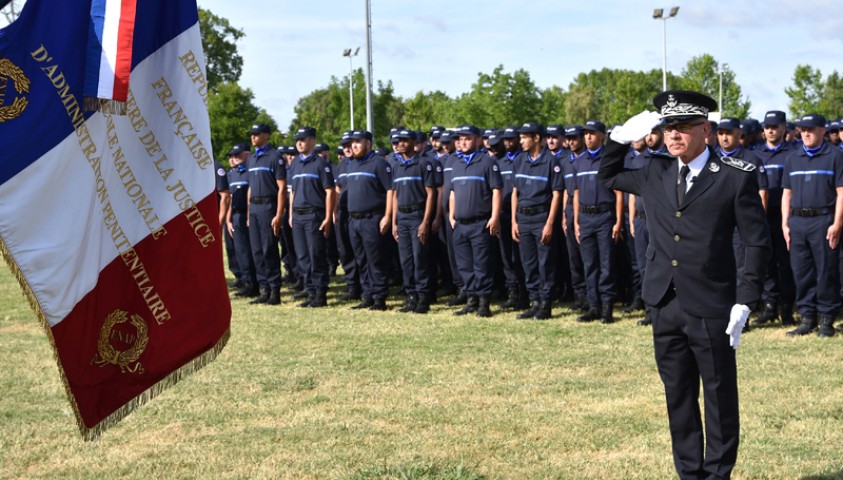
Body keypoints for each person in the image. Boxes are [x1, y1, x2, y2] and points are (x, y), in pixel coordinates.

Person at [600, 90, 770, 480]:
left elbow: (756, 241)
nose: (674, 135)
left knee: (718, 396)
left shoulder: (733, 178)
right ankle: (689, 472)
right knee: (677, 395)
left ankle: (718, 473)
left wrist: (745, 299)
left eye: (683, 128)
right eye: (668, 128)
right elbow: (607, 175)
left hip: (712, 304)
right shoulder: (655, 171)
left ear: (705, 130)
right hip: (664, 302)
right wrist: (618, 139)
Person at [782, 113, 843, 337]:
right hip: (797, 222)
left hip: (823, 220)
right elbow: (786, 194)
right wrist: (785, 224)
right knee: (801, 271)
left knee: (826, 270)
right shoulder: (792, 158)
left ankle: (827, 318)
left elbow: (841, 192)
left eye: (811, 129)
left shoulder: (835, 156)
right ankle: (807, 318)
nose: (806, 133)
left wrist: (837, 223)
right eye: (802, 129)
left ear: (822, 130)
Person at [448, 125, 503, 317]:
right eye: (460, 139)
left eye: (467, 138)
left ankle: (483, 304)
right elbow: (453, 192)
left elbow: (497, 190)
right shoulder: (456, 163)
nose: (462, 142)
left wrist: (494, 216)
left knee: (482, 264)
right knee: (464, 265)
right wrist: (451, 215)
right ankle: (471, 300)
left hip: (480, 223)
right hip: (460, 224)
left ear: (478, 140)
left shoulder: (487, 162)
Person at [511, 122, 564, 320]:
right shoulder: (519, 161)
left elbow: (557, 194)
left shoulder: (552, 162)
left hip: (541, 217)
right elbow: (515, 192)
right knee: (529, 262)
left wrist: (550, 223)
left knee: (545, 263)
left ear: (536, 138)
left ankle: (546, 304)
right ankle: (534, 301)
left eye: (524, 137)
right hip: (523, 218)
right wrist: (514, 221)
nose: (521, 141)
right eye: (520, 137)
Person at [573, 120, 623, 324]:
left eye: (592, 134)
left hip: (604, 217)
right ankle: (593, 306)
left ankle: (606, 307)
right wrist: (576, 221)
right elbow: (575, 193)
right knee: (589, 264)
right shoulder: (579, 161)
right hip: (585, 217)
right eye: (586, 134)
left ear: (603, 136)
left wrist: (618, 221)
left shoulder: (609, 160)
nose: (588, 137)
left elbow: (619, 193)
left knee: (606, 264)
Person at [752, 111, 796, 326]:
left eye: (775, 126)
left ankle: (787, 307)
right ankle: (770, 305)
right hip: (763, 215)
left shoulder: (793, 153)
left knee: (785, 263)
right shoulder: (756, 154)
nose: (770, 130)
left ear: (783, 128)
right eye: (767, 127)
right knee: (767, 262)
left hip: (786, 215)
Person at [390, 129, 441, 313]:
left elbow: (431, 194)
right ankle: (411, 297)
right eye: (398, 141)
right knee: (406, 260)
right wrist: (394, 221)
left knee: (421, 259)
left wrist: (425, 222)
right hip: (402, 218)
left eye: (404, 141)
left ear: (413, 142)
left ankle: (423, 299)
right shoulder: (396, 166)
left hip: (417, 216)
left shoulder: (424, 164)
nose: (400, 144)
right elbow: (395, 195)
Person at [345, 130, 394, 311]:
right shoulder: (351, 164)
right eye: (352, 142)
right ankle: (367, 295)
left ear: (368, 143)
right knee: (361, 259)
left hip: (372, 219)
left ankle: (380, 298)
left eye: (358, 142)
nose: (354, 146)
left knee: (376, 259)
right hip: (354, 220)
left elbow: (390, 190)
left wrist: (387, 216)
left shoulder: (379, 164)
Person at [288, 127, 335, 308]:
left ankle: (320, 294)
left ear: (312, 141)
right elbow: (292, 191)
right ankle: (309, 291)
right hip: (298, 216)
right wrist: (291, 212)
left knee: (316, 255)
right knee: (303, 256)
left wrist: (328, 217)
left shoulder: (320, 164)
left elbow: (330, 191)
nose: (299, 143)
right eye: (297, 139)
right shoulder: (295, 164)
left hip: (314, 215)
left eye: (303, 139)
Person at [246, 123, 286, 305]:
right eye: (252, 134)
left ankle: (274, 290)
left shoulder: (275, 157)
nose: (253, 137)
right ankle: (264, 289)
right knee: (256, 250)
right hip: (254, 207)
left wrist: (278, 214)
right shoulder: (252, 159)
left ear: (266, 136)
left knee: (269, 248)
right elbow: (250, 188)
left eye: (257, 134)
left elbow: (282, 187)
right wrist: (248, 212)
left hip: (268, 206)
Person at [561, 126, 589, 312]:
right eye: (569, 138)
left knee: (588, 256)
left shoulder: (588, 159)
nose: (571, 142)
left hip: (587, 209)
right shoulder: (564, 161)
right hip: (570, 207)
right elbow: (565, 188)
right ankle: (579, 296)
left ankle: (591, 296)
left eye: (574, 138)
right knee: (573, 257)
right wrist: (564, 214)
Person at [226, 143, 259, 297]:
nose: (235, 158)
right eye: (233, 156)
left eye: (238, 155)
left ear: (247, 154)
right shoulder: (232, 174)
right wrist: (228, 219)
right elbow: (230, 199)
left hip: (248, 214)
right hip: (236, 216)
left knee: (250, 250)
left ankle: (254, 283)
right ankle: (246, 282)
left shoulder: (250, 172)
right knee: (240, 251)